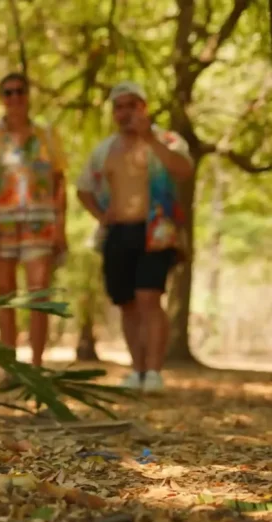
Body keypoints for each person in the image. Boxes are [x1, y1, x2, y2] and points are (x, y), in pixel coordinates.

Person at [76, 81, 194, 393]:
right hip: (118, 233)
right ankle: (137, 369)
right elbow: (82, 188)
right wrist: (102, 216)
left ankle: (154, 372)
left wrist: (150, 138)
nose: (125, 112)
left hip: (157, 231)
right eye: (119, 106)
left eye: (131, 104)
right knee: (127, 303)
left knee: (149, 298)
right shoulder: (104, 150)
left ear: (144, 107)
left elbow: (184, 171)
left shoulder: (167, 139)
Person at [0, 73, 69, 367]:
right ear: (1, 98)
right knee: (5, 297)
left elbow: (60, 182)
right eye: (8, 93)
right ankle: (10, 365)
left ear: (28, 95)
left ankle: (36, 364)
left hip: (41, 226)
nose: (14, 98)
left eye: (20, 92)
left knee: (40, 296)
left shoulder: (48, 136)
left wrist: (60, 226)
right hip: (1, 228)